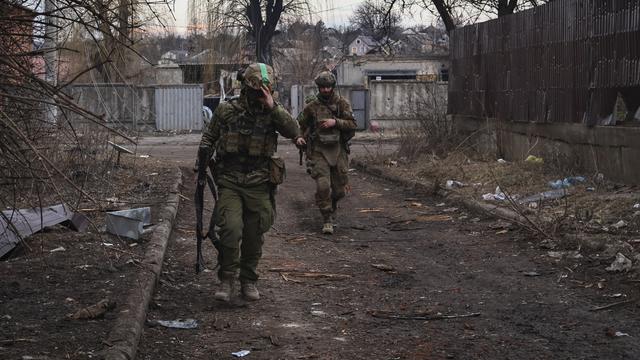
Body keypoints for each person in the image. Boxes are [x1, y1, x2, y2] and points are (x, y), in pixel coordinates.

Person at [197, 63, 302, 302]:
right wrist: (202, 157)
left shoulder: (273, 111)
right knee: (231, 230)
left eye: (265, 90)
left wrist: (273, 107)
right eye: (257, 90)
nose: (260, 95)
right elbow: (209, 137)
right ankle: (226, 279)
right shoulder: (227, 110)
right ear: (246, 87)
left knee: (255, 235)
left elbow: (294, 130)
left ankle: (248, 281)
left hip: (259, 182)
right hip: (231, 180)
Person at [295, 71, 357, 235]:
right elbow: (300, 125)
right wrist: (299, 138)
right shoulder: (311, 107)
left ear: (333, 87)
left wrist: (334, 122)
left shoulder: (342, 103)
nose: (325, 90)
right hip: (318, 150)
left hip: (338, 150)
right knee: (323, 186)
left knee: (339, 190)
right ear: (319, 88)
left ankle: (333, 204)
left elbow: (352, 124)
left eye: (328, 87)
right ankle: (327, 218)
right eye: (322, 87)